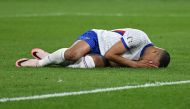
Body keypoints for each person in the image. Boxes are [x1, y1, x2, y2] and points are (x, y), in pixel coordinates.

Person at [16, 28, 170, 68]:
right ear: (155, 51)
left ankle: (50, 57)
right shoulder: (139, 37)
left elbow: (114, 61)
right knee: (72, 55)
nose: (147, 65)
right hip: (97, 39)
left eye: (151, 67)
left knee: (88, 64)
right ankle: (39, 63)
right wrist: (135, 65)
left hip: (105, 56)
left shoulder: (143, 59)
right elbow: (111, 54)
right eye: (151, 63)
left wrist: (122, 63)